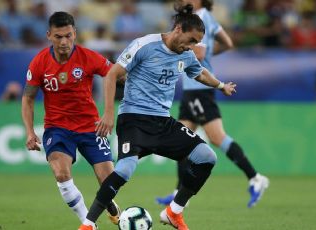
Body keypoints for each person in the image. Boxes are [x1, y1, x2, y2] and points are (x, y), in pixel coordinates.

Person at [78, 4, 237, 230]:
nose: (192, 46)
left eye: (196, 42)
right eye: (191, 40)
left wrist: (220, 85)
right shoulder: (145, 45)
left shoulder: (187, 54)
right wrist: (108, 114)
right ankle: (88, 224)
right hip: (134, 119)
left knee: (207, 157)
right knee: (123, 171)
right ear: (179, 29)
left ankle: (174, 212)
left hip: (163, 122)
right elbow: (112, 74)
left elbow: (199, 72)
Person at [156, 0, 269, 209]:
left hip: (200, 88)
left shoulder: (201, 19)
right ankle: (179, 192)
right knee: (182, 141)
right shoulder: (206, 17)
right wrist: (205, 55)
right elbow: (227, 43)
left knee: (217, 137)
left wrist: (185, 55)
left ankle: (256, 178)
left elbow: (198, 54)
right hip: (193, 89)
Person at [21, 11, 120, 226]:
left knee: (108, 183)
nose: (64, 41)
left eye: (68, 35)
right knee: (61, 174)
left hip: (90, 127)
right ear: (49, 35)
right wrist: (29, 131)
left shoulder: (88, 57)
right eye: (58, 37)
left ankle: (110, 203)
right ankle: (88, 222)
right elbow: (28, 98)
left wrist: (109, 113)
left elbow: (114, 74)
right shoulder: (39, 63)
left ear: (75, 33)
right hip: (57, 128)